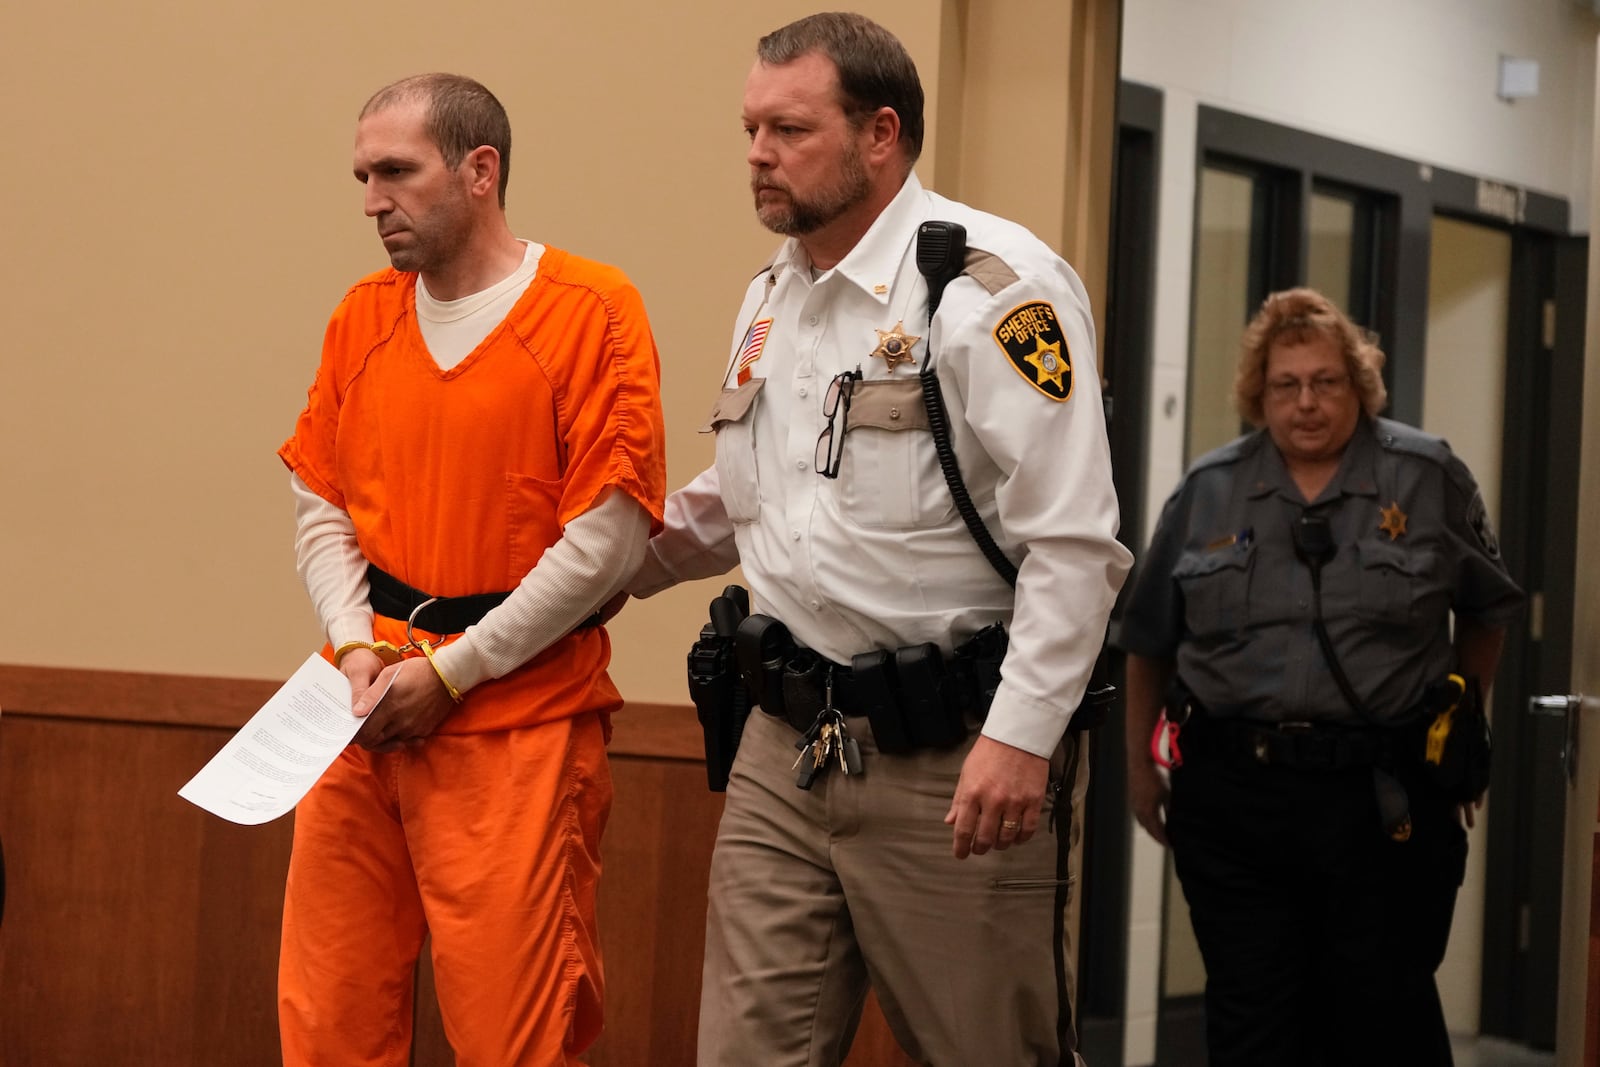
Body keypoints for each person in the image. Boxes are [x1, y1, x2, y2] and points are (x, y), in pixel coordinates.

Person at [618, 13, 1130, 1066]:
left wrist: (1022, 735)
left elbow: (1074, 544)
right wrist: (605, 562)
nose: (758, 153)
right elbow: (757, 492)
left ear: (880, 133)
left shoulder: (991, 293)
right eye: (750, 128)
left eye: (789, 129)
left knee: (990, 1047)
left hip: (953, 755)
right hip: (783, 745)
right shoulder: (774, 295)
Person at [275, 73, 666, 1066]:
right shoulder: (362, 315)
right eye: (363, 175)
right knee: (329, 1017)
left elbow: (608, 541)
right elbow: (324, 500)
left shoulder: (591, 310)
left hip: (516, 719)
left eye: (396, 171)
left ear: (479, 169)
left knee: (513, 1031)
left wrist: (455, 671)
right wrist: (359, 645)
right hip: (362, 702)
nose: (371, 200)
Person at [1117, 287, 1523, 1066]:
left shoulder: (1426, 475)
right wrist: (1139, 766)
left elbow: (1489, 608)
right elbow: (1148, 638)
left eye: (1326, 381)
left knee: (1383, 1020)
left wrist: (1462, 719)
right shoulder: (1209, 490)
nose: (1306, 402)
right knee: (1250, 1021)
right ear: (1258, 393)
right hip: (1237, 798)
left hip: (1381, 798)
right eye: (1285, 384)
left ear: (1358, 385)